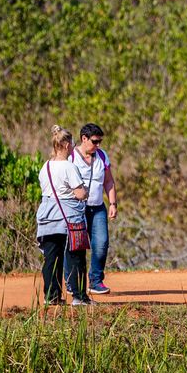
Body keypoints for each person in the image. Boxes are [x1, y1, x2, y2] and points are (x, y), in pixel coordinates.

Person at [37, 125, 90, 306]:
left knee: (52, 258)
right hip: (69, 219)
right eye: (73, 142)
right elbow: (80, 194)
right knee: (76, 257)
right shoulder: (69, 167)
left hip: (47, 218)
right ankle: (79, 296)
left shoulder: (45, 167)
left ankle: (51, 297)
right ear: (66, 145)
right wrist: (86, 191)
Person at [71, 124, 115, 295]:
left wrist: (112, 204)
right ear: (84, 139)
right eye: (95, 141)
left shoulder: (102, 156)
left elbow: (109, 181)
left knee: (101, 243)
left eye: (100, 141)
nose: (98, 145)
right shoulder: (71, 157)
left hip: (97, 208)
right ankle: (72, 282)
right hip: (76, 209)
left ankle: (96, 281)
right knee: (75, 247)